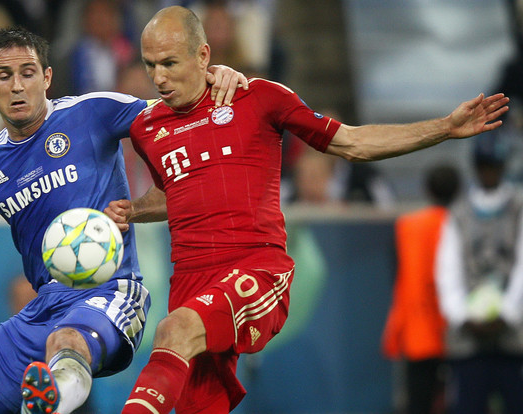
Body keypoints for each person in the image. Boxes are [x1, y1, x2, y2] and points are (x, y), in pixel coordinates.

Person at [102, 6, 509, 414]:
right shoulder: (147, 127)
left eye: (170, 63)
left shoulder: (258, 97)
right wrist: (133, 210)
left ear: (204, 55)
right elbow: (179, 192)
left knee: (173, 329)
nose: (158, 78)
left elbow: (354, 143)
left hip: (254, 270)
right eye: (150, 65)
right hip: (189, 283)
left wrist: (444, 128)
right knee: (198, 405)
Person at [0, 26, 246, 414]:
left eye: (28, 73)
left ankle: (49, 404)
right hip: (46, 305)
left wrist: (213, 79)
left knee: (66, 340)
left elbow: (176, 111)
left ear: (47, 78)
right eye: (4, 76)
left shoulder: (91, 112)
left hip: (113, 291)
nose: (18, 86)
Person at [435, 133, 523, 414]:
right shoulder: (458, 213)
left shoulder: (518, 208)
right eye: (484, 166)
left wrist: (507, 313)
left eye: (494, 166)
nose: (489, 173)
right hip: (469, 338)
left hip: (512, 338)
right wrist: (463, 315)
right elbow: (447, 272)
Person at [382, 164, 461, 414]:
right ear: (458, 191)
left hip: (418, 335)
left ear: (427, 190)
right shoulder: (462, 225)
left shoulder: (406, 226)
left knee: (418, 404)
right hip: (457, 334)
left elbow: (398, 276)